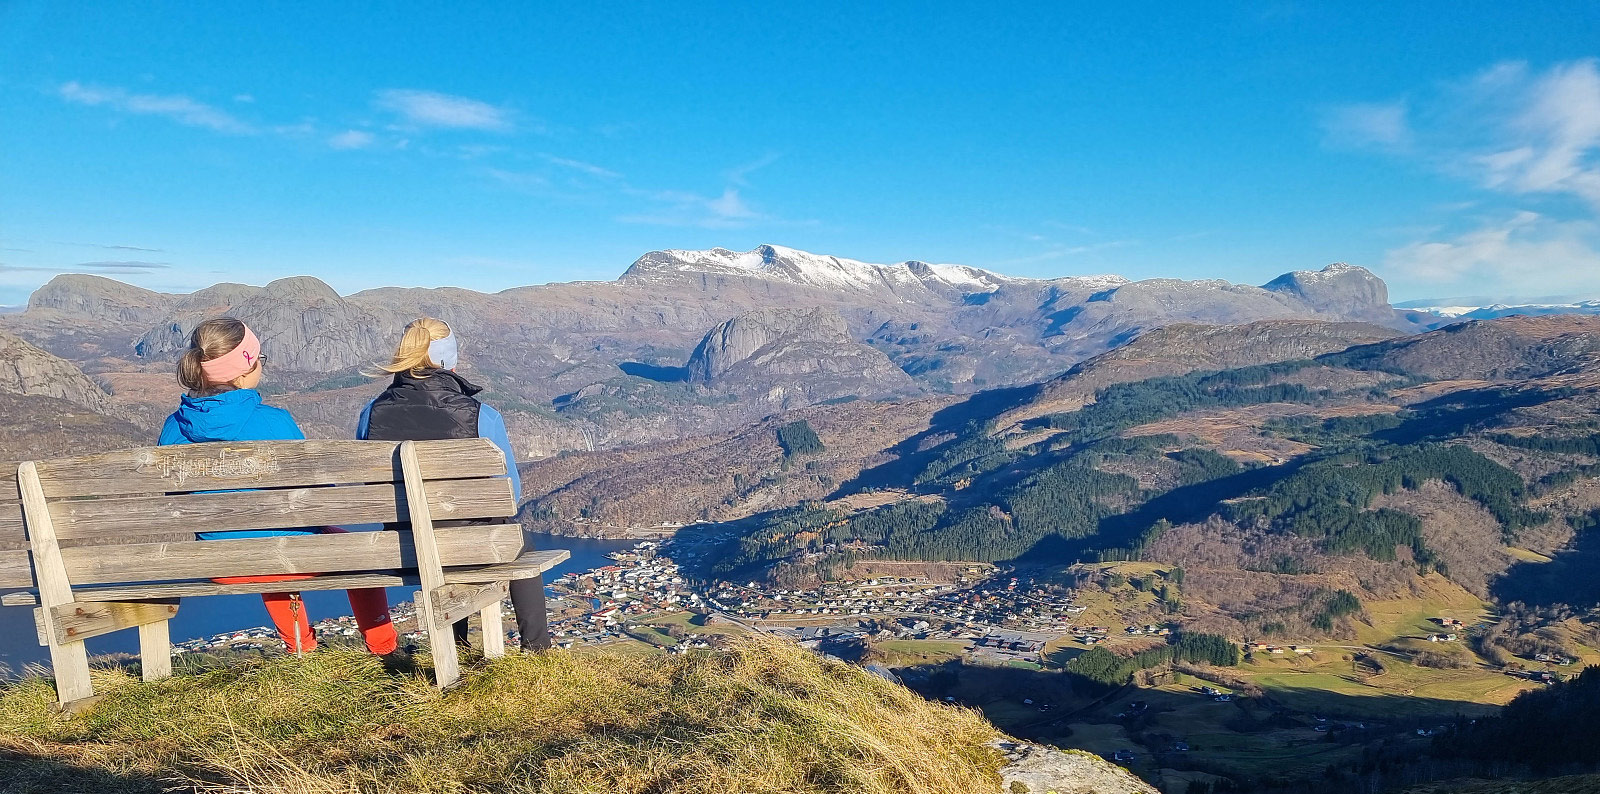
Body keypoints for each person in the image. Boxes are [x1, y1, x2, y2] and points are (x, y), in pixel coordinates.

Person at [159, 317, 400, 658]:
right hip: (282, 556)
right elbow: (315, 495)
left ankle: (300, 649)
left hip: (218, 564)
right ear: (244, 371)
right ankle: (384, 650)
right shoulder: (274, 422)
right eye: (259, 359)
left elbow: (175, 502)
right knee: (357, 556)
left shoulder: (173, 429)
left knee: (263, 546)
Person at [358, 317, 550, 651]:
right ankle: (537, 650)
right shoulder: (480, 415)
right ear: (448, 362)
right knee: (520, 543)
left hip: (406, 549)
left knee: (452, 543)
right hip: (472, 547)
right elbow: (510, 495)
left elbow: (369, 488)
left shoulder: (370, 414)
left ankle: (457, 648)